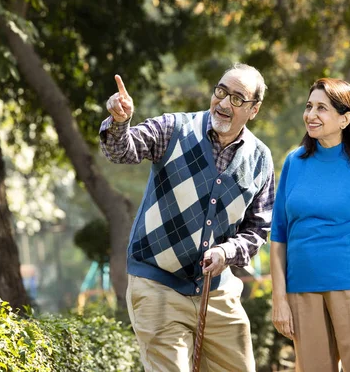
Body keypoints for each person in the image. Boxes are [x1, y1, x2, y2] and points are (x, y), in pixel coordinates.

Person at [99, 63, 274, 371]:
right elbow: (121, 151)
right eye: (221, 91)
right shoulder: (174, 129)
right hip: (157, 287)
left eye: (237, 98)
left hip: (217, 292)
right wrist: (119, 122)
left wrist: (226, 251)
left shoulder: (260, 159)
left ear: (254, 109)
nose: (223, 103)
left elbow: (257, 229)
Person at [270, 78, 350, 372]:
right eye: (309, 106)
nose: (311, 115)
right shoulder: (294, 162)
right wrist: (280, 299)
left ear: (345, 118)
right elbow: (279, 236)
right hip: (302, 290)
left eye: (322, 108)